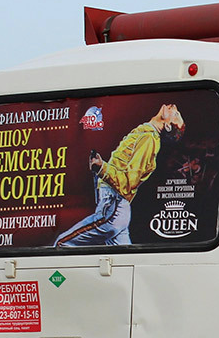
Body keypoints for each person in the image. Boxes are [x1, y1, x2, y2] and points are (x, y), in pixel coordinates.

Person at [54, 104, 185, 247]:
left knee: (61, 245)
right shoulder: (146, 134)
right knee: (123, 260)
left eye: (176, 114)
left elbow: (129, 182)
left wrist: (102, 168)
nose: (174, 107)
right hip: (117, 209)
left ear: (167, 126)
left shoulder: (148, 139)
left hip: (113, 208)